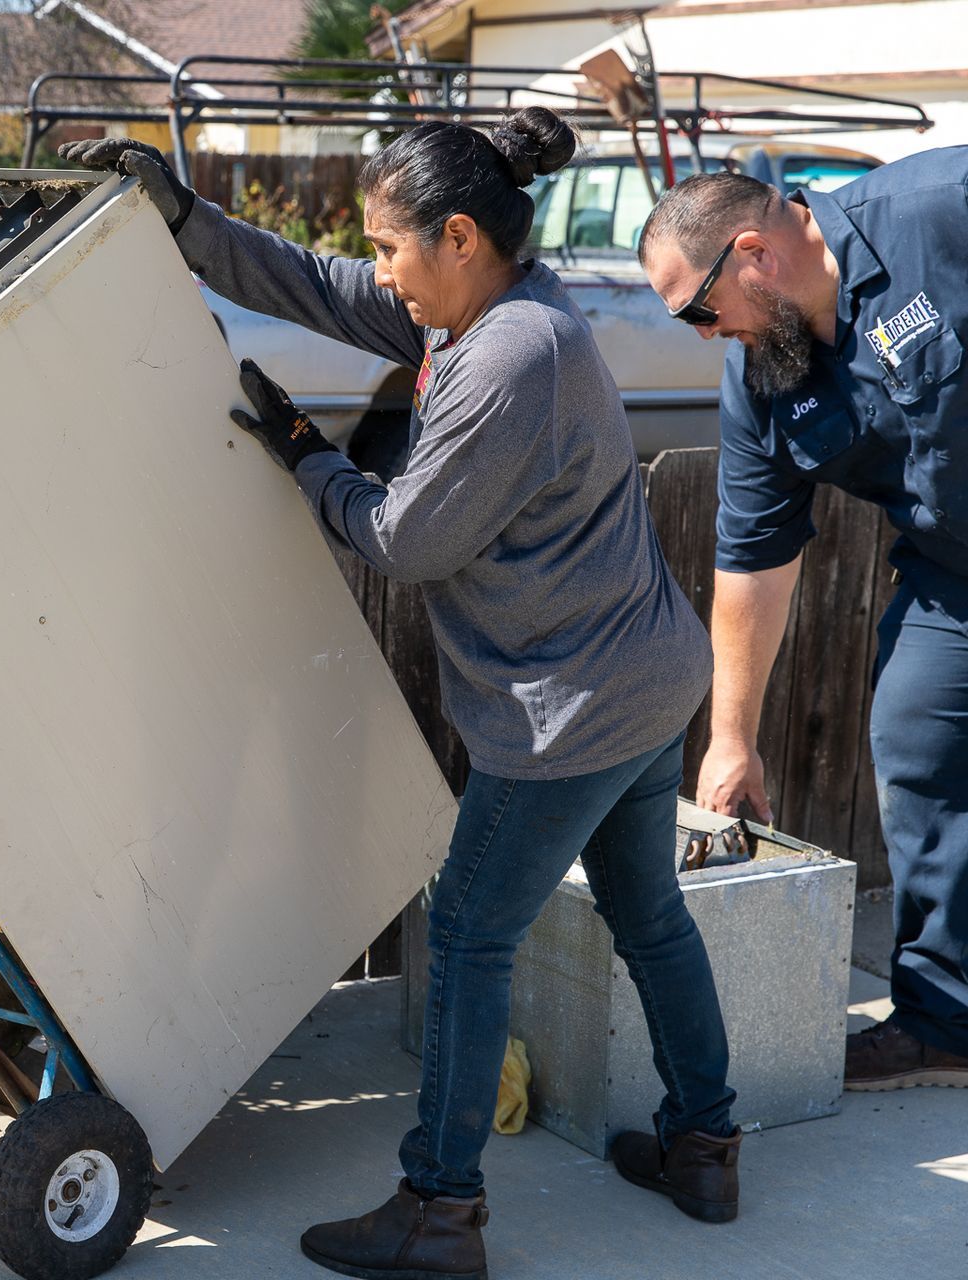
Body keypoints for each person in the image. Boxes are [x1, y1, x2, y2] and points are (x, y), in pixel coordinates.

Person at [65, 110, 740, 1280]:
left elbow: (407, 537)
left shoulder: (509, 357)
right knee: (649, 917)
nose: (380, 270)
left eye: (393, 246)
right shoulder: (480, 309)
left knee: (470, 936)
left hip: (569, 712)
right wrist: (186, 219)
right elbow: (317, 286)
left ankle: (438, 1209)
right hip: (646, 680)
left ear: (462, 235)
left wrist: (306, 455)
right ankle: (706, 1143)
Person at [639, 157, 968, 1092]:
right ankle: (947, 1019)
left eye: (699, 311)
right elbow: (752, 559)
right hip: (956, 578)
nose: (708, 337)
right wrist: (731, 740)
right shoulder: (762, 379)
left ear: (754, 256)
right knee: (917, 737)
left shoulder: (939, 208)